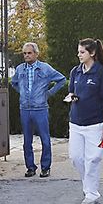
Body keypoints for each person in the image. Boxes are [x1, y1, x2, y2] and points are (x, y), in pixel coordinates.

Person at [64, 38, 103, 204]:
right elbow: (71, 92)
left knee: (93, 159)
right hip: (76, 123)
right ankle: (88, 185)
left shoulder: (102, 73)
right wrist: (71, 98)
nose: (79, 55)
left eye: (82, 52)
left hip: (95, 124)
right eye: (78, 52)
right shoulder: (75, 72)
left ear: (92, 53)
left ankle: (91, 193)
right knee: (76, 158)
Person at [12, 41, 66, 178]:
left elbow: (62, 80)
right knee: (27, 141)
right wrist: (22, 93)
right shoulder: (19, 69)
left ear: (36, 53)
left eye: (29, 53)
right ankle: (30, 167)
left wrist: (49, 93)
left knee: (45, 139)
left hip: (40, 108)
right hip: (25, 108)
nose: (26, 55)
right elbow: (14, 83)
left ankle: (45, 167)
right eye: (24, 53)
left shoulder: (45, 68)